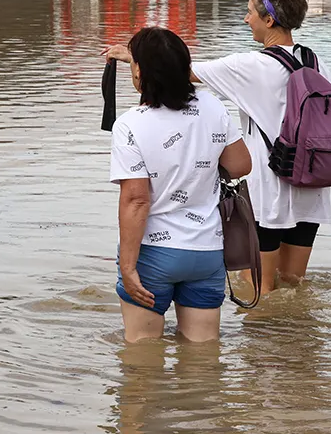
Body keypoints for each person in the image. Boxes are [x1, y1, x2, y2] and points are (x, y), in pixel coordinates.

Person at [189, 0, 331, 295]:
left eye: (250, 11)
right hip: (313, 189)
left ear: (269, 19)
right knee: (293, 285)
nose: (245, 18)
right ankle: (297, 339)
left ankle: (265, 345)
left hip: (269, 194)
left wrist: (133, 55)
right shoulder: (315, 62)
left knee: (257, 289)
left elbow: (180, 72)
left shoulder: (249, 65)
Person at [104, 27, 252, 343]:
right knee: (203, 358)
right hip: (206, 253)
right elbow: (241, 165)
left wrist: (129, 268)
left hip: (154, 255)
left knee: (142, 357)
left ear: (140, 73)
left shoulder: (131, 124)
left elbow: (136, 200)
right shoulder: (212, 106)